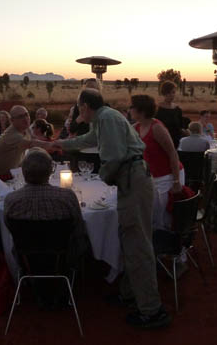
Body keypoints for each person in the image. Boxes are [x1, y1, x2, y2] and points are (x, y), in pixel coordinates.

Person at [54, 89, 171, 329]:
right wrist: (58, 143)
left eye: (79, 107)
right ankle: (130, 293)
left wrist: (103, 176)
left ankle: (151, 310)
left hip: (133, 181)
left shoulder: (106, 118)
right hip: (134, 180)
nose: (78, 111)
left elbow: (115, 157)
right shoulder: (104, 118)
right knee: (129, 239)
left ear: (85, 106)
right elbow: (86, 140)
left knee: (138, 244)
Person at [3, 148, 89, 308]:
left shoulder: (11, 200)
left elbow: (9, 227)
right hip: (63, 254)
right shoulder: (67, 197)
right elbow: (78, 227)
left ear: (23, 171)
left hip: (26, 256)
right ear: (50, 171)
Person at [129, 95, 182, 230]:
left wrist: (176, 182)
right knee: (153, 215)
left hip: (169, 175)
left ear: (141, 110)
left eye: (131, 107)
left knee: (164, 218)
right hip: (153, 176)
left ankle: (174, 248)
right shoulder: (135, 128)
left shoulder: (156, 128)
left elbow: (173, 153)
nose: (129, 110)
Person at [0, 105, 54, 190]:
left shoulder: (25, 129)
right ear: (12, 120)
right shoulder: (12, 135)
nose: (25, 118)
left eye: (26, 114)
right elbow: (32, 143)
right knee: (3, 198)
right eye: (20, 117)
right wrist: (53, 144)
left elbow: (34, 140)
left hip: (6, 173)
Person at [155, 81, 183, 148]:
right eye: (169, 92)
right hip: (161, 142)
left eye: (173, 92)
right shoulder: (157, 109)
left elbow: (180, 126)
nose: (172, 95)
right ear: (164, 93)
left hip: (176, 142)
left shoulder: (177, 109)